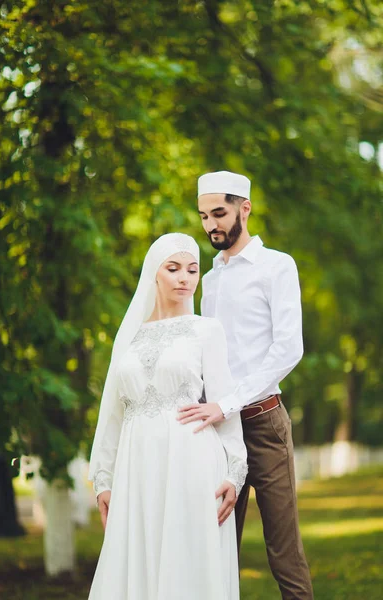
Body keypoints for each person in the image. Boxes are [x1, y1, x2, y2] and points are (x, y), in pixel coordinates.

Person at [88, 233, 248, 600]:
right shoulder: (128, 337)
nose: (184, 278)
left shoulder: (206, 329)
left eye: (192, 270)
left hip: (191, 462)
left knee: (187, 563)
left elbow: (224, 406)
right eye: (173, 268)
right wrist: (103, 479)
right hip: (135, 468)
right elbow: (112, 413)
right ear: (153, 274)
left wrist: (234, 473)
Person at [177, 172, 314, 599]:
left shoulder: (277, 266)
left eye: (219, 213)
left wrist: (229, 402)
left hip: (263, 424)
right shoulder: (210, 278)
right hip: (217, 434)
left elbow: (288, 349)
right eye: (203, 216)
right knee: (217, 550)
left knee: (284, 555)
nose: (211, 225)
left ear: (245, 208)